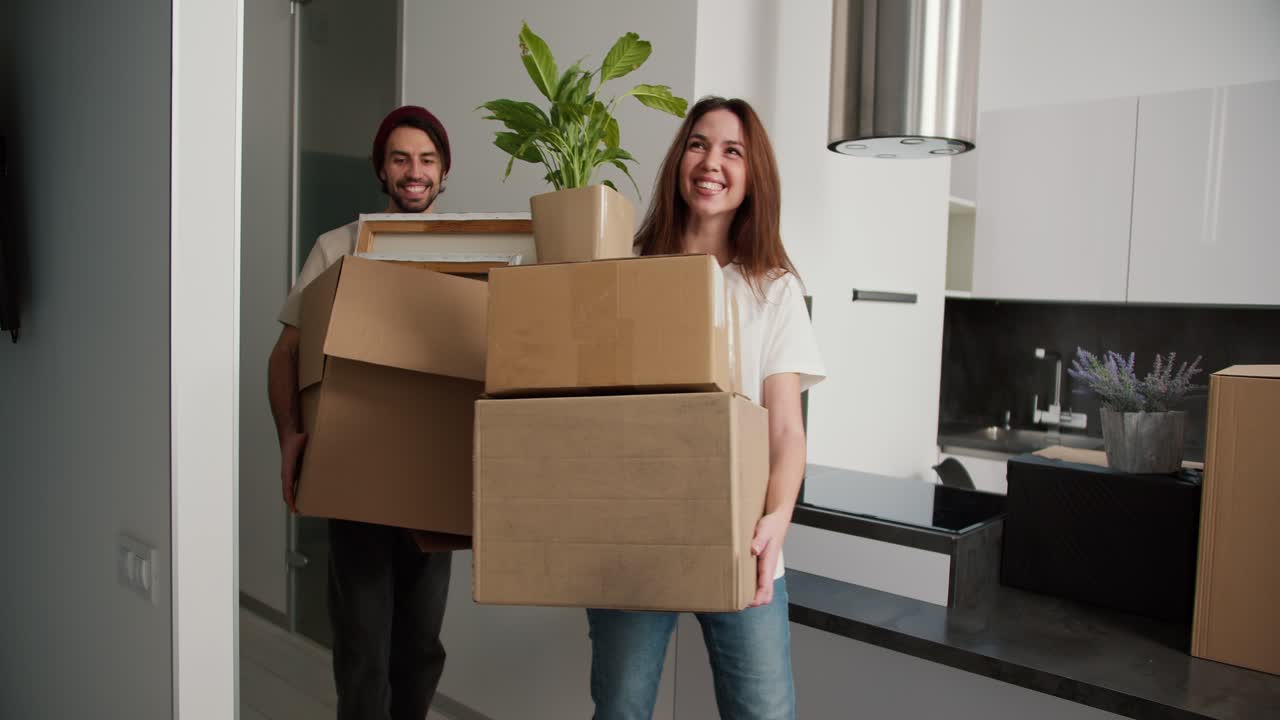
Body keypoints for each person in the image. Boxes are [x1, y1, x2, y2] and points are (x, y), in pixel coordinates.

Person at [586, 97, 826, 720]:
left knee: (764, 714)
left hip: (744, 540)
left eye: (731, 150)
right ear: (678, 159)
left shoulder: (772, 289)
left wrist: (778, 520)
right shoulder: (628, 270)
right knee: (621, 711)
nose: (710, 161)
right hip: (638, 533)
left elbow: (785, 429)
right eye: (698, 144)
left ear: (752, 177)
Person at [267, 105, 454, 720]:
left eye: (426, 160)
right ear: (381, 169)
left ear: (444, 173)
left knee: (421, 645)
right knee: (364, 645)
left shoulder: (474, 250)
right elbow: (287, 352)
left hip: (433, 479)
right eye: (400, 158)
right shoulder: (337, 247)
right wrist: (290, 437)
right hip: (356, 477)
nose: (414, 172)